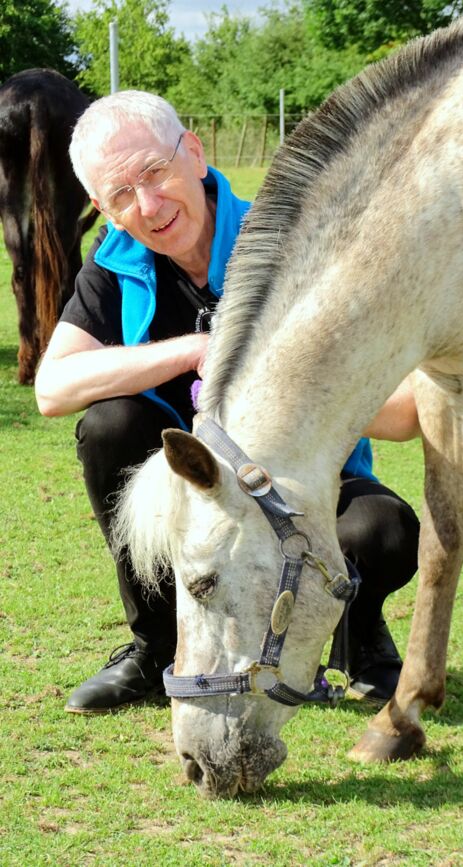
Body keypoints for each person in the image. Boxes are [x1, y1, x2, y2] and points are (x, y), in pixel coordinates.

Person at [34, 91, 420, 715]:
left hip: (302, 484)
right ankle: (155, 646)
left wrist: (270, 385)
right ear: (102, 209)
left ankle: (356, 628)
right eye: (121, 195)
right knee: (109, 424)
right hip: (195, 495)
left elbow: (405, 411)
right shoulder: (115, 263)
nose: (149, 206)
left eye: (154, 172)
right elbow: (53, 389)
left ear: (194, 152)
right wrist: (192, 350)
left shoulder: (296, 241)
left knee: (385, 531)